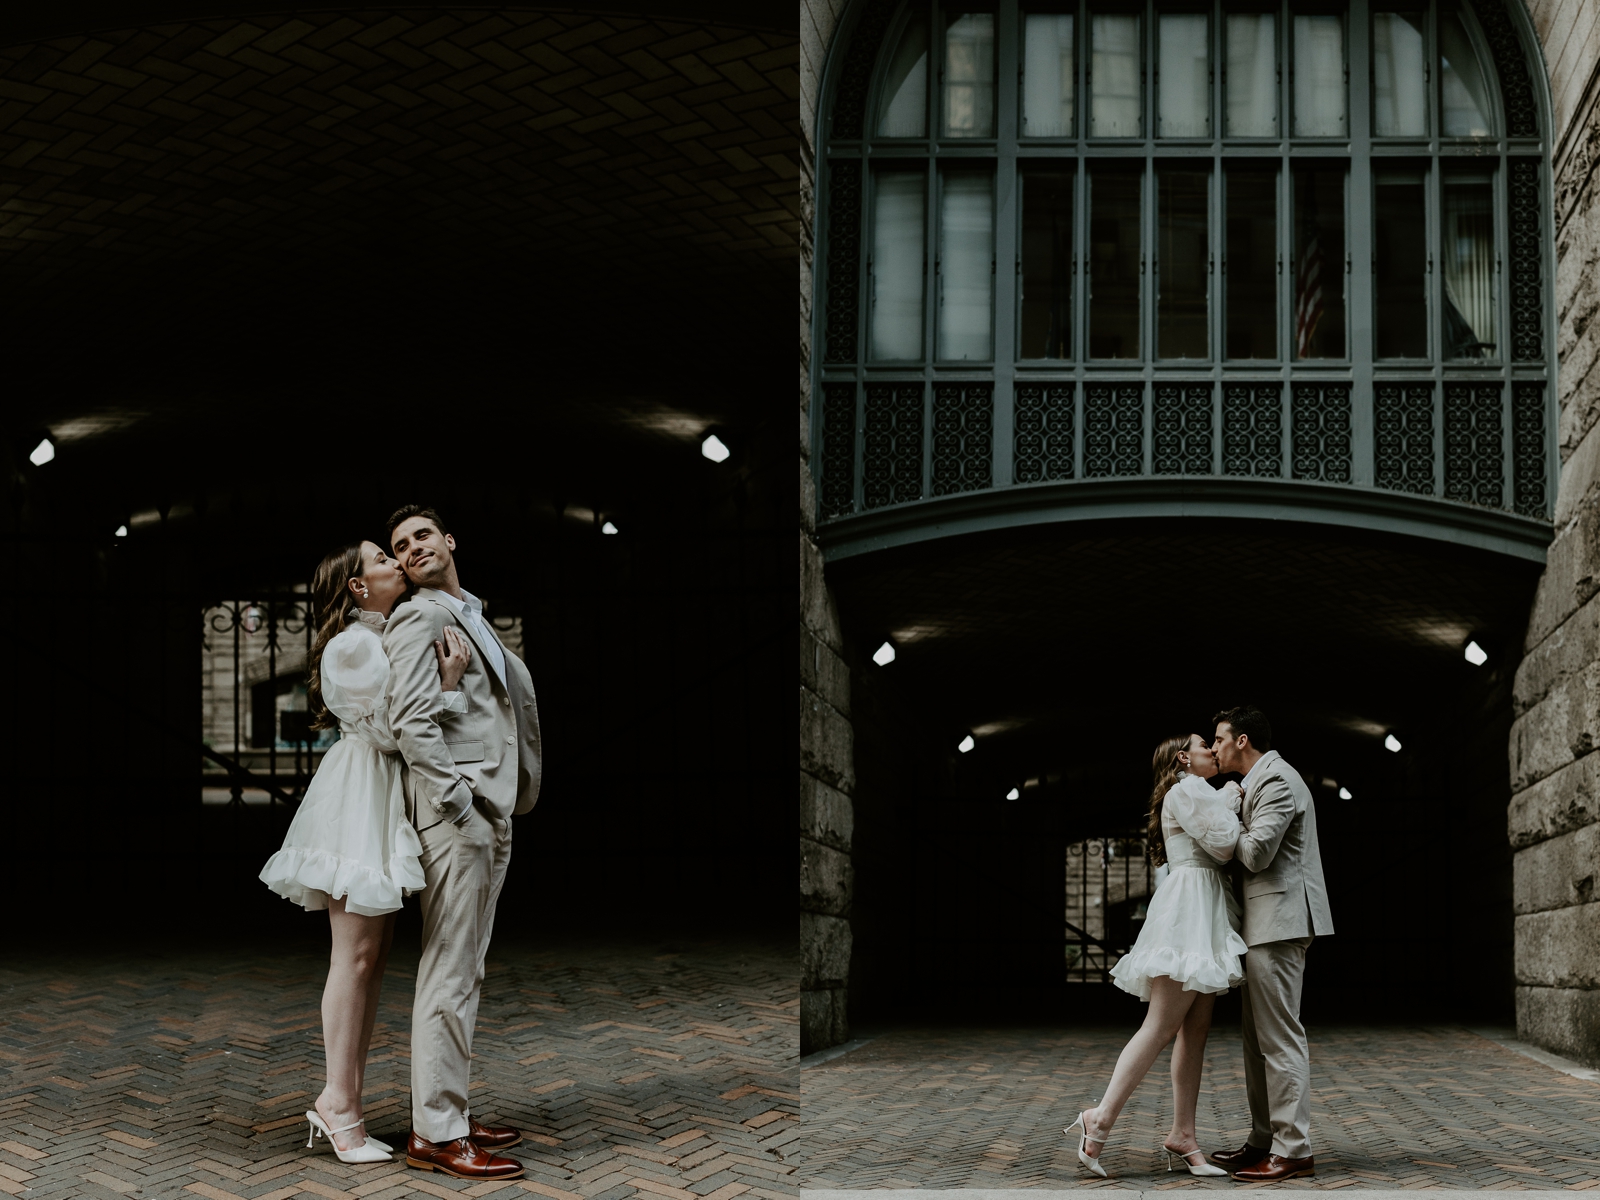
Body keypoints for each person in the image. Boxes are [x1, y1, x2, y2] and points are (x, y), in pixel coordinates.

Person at [260, 541, 474, 1164]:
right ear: (357, 587)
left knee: (371, 960)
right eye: (382, 559)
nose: (396, 563)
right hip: (358, 796)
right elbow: (388, 730)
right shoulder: (353, 645)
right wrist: (447, 686)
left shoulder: (386, 634)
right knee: (353, 958)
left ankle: (345, 1100)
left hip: (381, 794)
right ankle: (337, 1105)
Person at [383, 505, 543, 1183]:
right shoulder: (420, 617)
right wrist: (459, 803)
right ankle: (437, 1133)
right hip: (460, 814)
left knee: (465, 967)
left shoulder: (470, 612)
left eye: (422, 535)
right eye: (399, 546)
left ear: (449, 541)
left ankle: (447, 1108)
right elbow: (408, 720)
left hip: (491, 807)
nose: (412, 548)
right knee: (450, 968)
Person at [1065, 733, 1247, 1179]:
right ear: (1184, 757)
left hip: (1206, 910)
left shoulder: (1201, 792)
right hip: (1187, 914)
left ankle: (1183, 1134)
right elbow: (1225, 845)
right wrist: (1235, 798)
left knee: (1196, 1030)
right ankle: (1100, 1116)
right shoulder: (1186, 790)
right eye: (1205, 744)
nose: (1213, 750)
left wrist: (1225, 797)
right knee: (1161, 1026)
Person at [1206, 706, 1334, 1182]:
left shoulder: (1277, 780)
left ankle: (1293, 1148)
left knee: (1279, 1038)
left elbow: (1257, 853)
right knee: (1257, 1041)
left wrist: (1225, 817)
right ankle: (1265, 1138)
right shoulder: (1258, 781)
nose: (1214, 747)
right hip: (1262, 925)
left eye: (1219, 739)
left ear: (1242, 741)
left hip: (1280, 922)